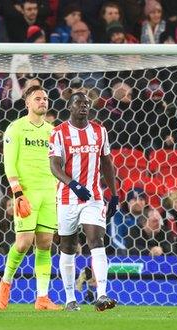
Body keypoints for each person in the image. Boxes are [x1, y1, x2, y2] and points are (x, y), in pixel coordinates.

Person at [49, 92, 119, 312]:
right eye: (79, 103)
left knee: (96, 241)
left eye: (86, 104)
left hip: (94, 198)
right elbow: (54, 166)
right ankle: (70, 299)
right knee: (67, 247)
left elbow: (107, 163)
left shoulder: (100, 131)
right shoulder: (59, 133)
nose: (83, 107)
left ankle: (102, 294)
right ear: (70, 107)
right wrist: (72, 184)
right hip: (68, 198)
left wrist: (115, 194)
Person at [0, 85, 61, 311]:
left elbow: (58, 164)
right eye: (38, 98)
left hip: (49, 193)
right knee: (23, 243)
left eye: (45, 98)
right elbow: (9, 163)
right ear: (27, 103)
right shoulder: (16, 128)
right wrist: (18, 193)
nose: (43, 101)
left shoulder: (53, 132)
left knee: (45, 244)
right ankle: (5, 282)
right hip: (27, 193)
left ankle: (42, 297)